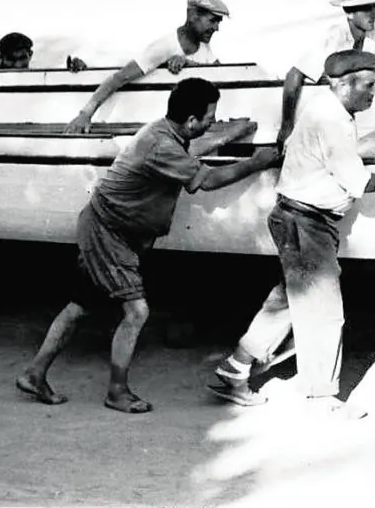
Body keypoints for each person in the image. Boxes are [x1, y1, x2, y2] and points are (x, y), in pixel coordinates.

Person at [16, 77, 281, 414]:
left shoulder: (166, 132)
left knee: (79, 306)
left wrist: (231, 132)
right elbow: (208, 180)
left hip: (109, 229)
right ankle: (117, 391)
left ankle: (34, 373)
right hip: (109, 234)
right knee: (136, 312)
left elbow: (192, 152)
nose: (213, 121)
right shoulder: (163, 145)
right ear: (191, 121)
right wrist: (257, 162)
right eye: (210, 118)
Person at [210, 50, 375, 416]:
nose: (373, 93)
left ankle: (234, 369)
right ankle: (321, 398)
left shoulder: (324, 107)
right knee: (324, 311)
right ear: (345, 84)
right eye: (368, 86)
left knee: (288, 300)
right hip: (308, 222)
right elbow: (358, 184)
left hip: (292, 217)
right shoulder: (333, 121)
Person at [65, 0, 229, 134]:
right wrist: (85, 115)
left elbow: (218, 72)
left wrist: (188, 64)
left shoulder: (203, 44)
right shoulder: (165, 47)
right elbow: (118, 78)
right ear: (193, 16)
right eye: (212, 21)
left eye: (218, 22)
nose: (216, 28)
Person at [274, 0, 375, 150]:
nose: (373, 14)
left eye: (373, 6)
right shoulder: (335, 36)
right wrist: (286, 126)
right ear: (349, 13)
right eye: (365, 8)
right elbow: (294, 74)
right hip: (321, 111)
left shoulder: (373, 36)